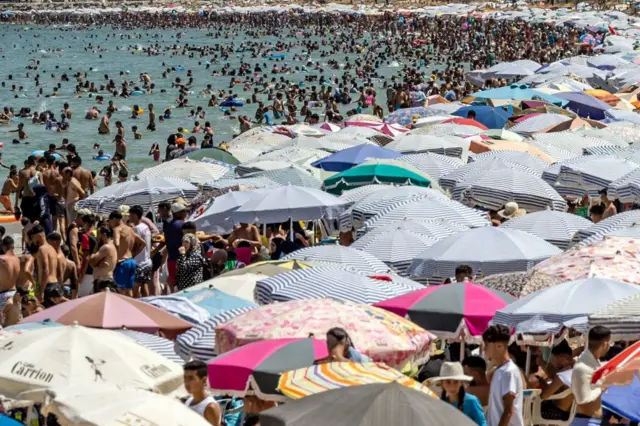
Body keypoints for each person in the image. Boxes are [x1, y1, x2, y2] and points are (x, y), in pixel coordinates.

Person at [483, 324, 524, 426]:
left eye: (487, 345)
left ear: (499, 346)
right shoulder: (500, 370)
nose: (484, 349)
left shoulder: (508, 372)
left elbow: (508, 411)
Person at [571, 326, 612, 426]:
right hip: (586, 422)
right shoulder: (583, 367)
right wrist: (602, 388)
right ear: (605, 344)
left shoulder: (593, 363)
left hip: (591, 421)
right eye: (610, 342)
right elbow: (582, 400)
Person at [430, 362, 487, 426]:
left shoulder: (471, 401)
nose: (452, 386)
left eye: (456, 382)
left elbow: (482, 424)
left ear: (461, 383)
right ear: (442, 384)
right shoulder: (440, 404)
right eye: (448, 382)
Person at [109, 211, 144, 297]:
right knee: (128, 290)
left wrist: (115, 259)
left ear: (114, 219)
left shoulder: (117, 229)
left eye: (110, 221)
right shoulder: (130, 229)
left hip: (122, 262)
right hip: (131, 261)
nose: (110, 224)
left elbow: (116, 243)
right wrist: (134, 253)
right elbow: (143, 243)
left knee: (118, 290)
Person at [538, 341, 575, 422]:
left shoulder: (564, 374)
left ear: (561, 358)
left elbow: (544, 395)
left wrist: (541, 381)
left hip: (558, 412)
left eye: (552, 358)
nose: (552, 362)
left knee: (529, 408)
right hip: (572, 412)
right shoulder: (577, 368)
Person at [28, 224, 61, 307]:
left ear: (39, 235)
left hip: (47, 286)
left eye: (33, 237)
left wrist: (41, 290)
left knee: (44, 315)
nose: (33, 240)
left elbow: (46, 270)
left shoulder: (42, 249)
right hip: (55, 284)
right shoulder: (52, 248)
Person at [183, 360, 222, 426]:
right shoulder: (188, 401)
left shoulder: (210, 407)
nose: (186, 382)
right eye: (185, 378)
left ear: (204, 380)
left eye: (191, 378)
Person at [130, 205, 152, 298]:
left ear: (135, 215)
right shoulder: (145, 227)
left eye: (131, 215)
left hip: (139, 263)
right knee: (144, 285)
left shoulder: (137, 229)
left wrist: (133, 255)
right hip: (147, 262)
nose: (130, 217)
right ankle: (147, 305)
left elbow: (137, 244)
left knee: (134, 290)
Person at [89, 226, 117, 293]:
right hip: (106, 280)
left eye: (98, 235)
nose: (97, 238)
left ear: (104, 235)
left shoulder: (106, 247)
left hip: (103, 281)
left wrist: (93, 253)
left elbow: (91, 262)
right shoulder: (112, 245)